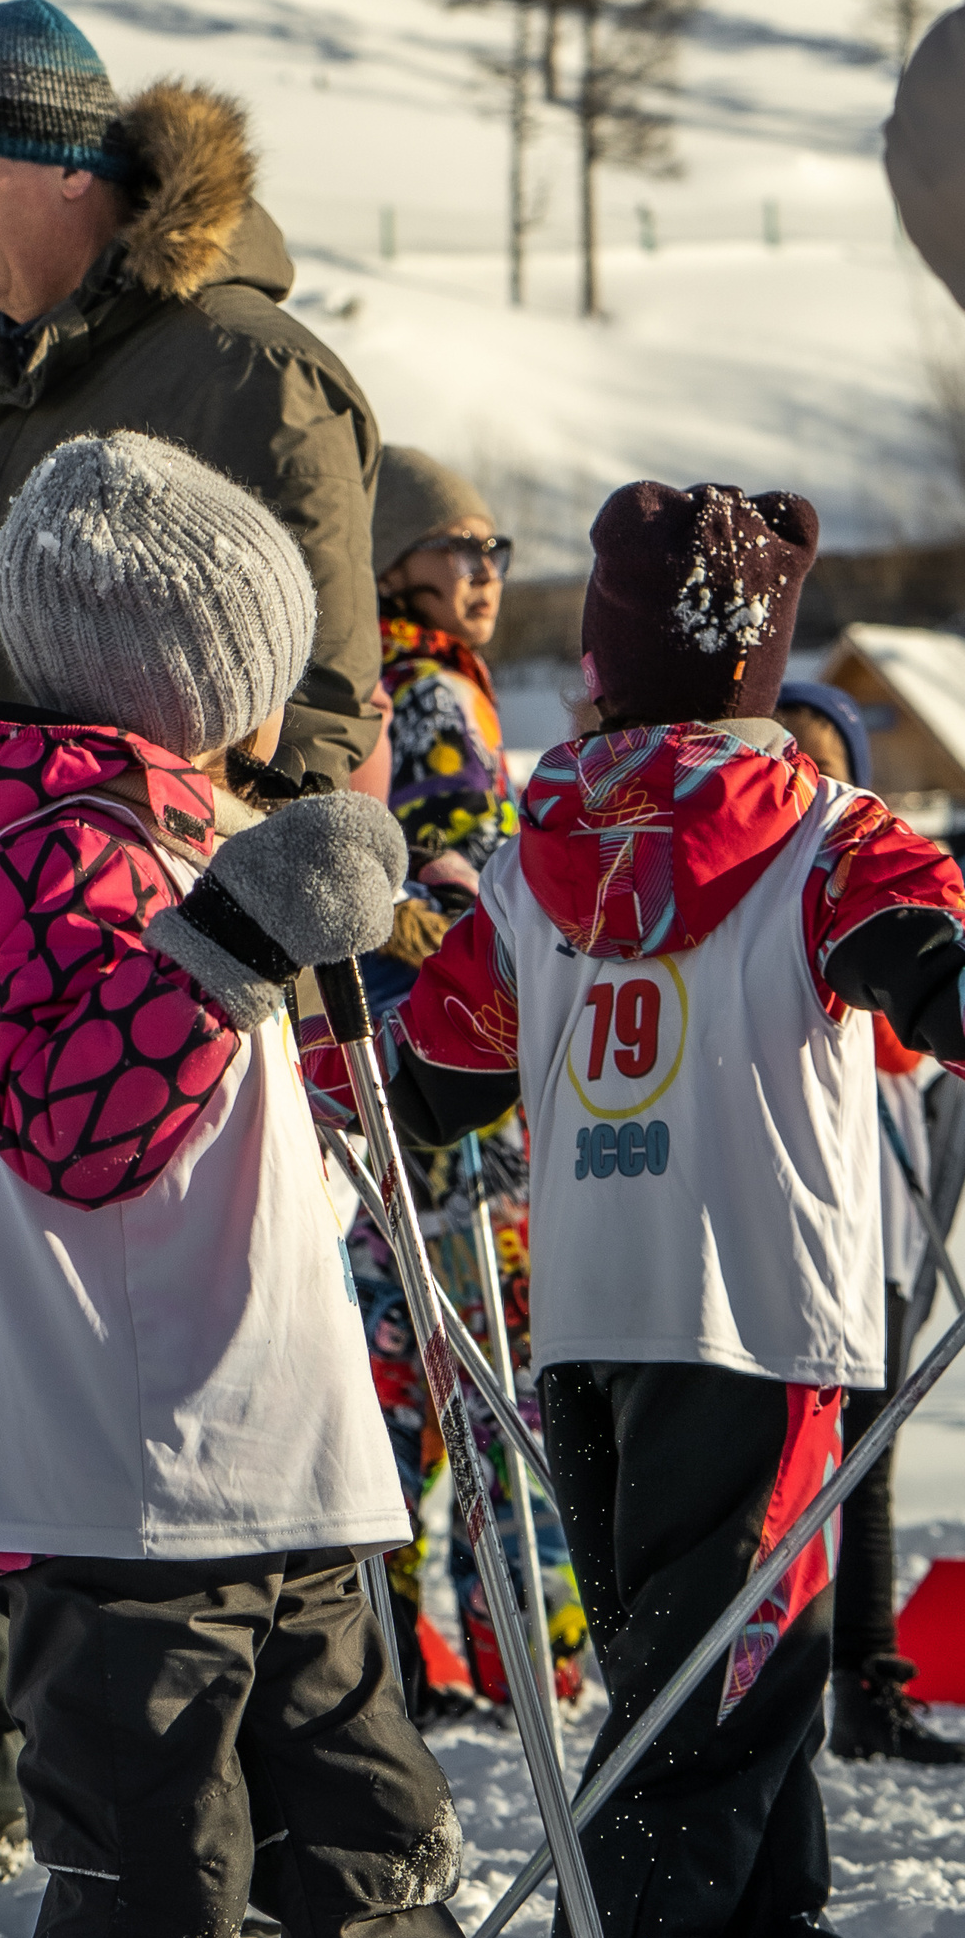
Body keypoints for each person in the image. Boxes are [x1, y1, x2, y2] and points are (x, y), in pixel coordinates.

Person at [0, 433, 670, 1938]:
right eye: (242, 660)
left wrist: (348, 990)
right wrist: (230, 946)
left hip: (278, 1454)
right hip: (124, 1475)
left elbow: (268, 1129)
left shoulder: (172, 836)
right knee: (148, 1886)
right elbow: (71, 1123)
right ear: (167, 665)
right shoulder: (43, 855)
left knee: (371, 1851)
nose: (258, 701)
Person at [0, 0, 384, 1872]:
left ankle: (214, 1818)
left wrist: (223, 901)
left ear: (77, 174)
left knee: (169, 1434)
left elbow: (320, 716)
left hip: (158, 978)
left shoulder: (247, 372)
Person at [392, 482, 963, 1938]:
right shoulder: (829, 833)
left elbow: (436, 1070)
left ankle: (761, 1927)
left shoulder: (537, 849)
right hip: (762, 1297)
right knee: (731, 1644)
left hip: (591, 1305)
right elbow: (927, 963)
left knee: (702, 1632)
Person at [349, 450, 585, 1721]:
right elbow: (452, 892)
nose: (486, 572)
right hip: (450, 1083)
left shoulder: (384, 685)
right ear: (397, 563)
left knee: (393, 1379)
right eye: (461, 550)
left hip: (393, 1081)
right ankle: (520, 1659)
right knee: (493, 1387)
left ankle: (385, 1656)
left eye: (495, 551)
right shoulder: (434, 695)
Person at [773, 678, 965, 1766]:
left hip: (880, 1205)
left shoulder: (862, 871)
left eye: (822, 754)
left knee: (871, 1451)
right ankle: (805, 1683)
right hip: (812, 1203)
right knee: (812, 1454)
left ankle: (865, 1680)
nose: (804, 771)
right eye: (788, 751)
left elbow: (904, 1036)